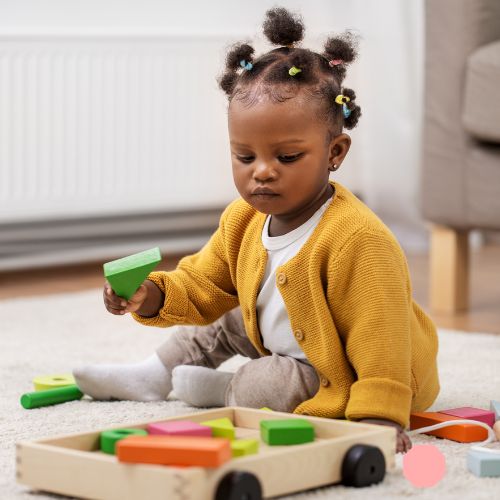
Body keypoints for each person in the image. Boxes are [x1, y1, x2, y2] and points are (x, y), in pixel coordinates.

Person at [74, 7, 439, 454]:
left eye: (286, 158)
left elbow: (379, 336)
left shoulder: (358, 239)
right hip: (288, 335)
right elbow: (203, 283)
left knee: (272, 385)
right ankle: (153, 373)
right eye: (245, 158)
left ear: (335, 152)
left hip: (342, 368)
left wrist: (378, 416)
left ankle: (221, 392)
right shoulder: (242, 219)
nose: (262, 173)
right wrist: (150, 294)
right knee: (221, 319)